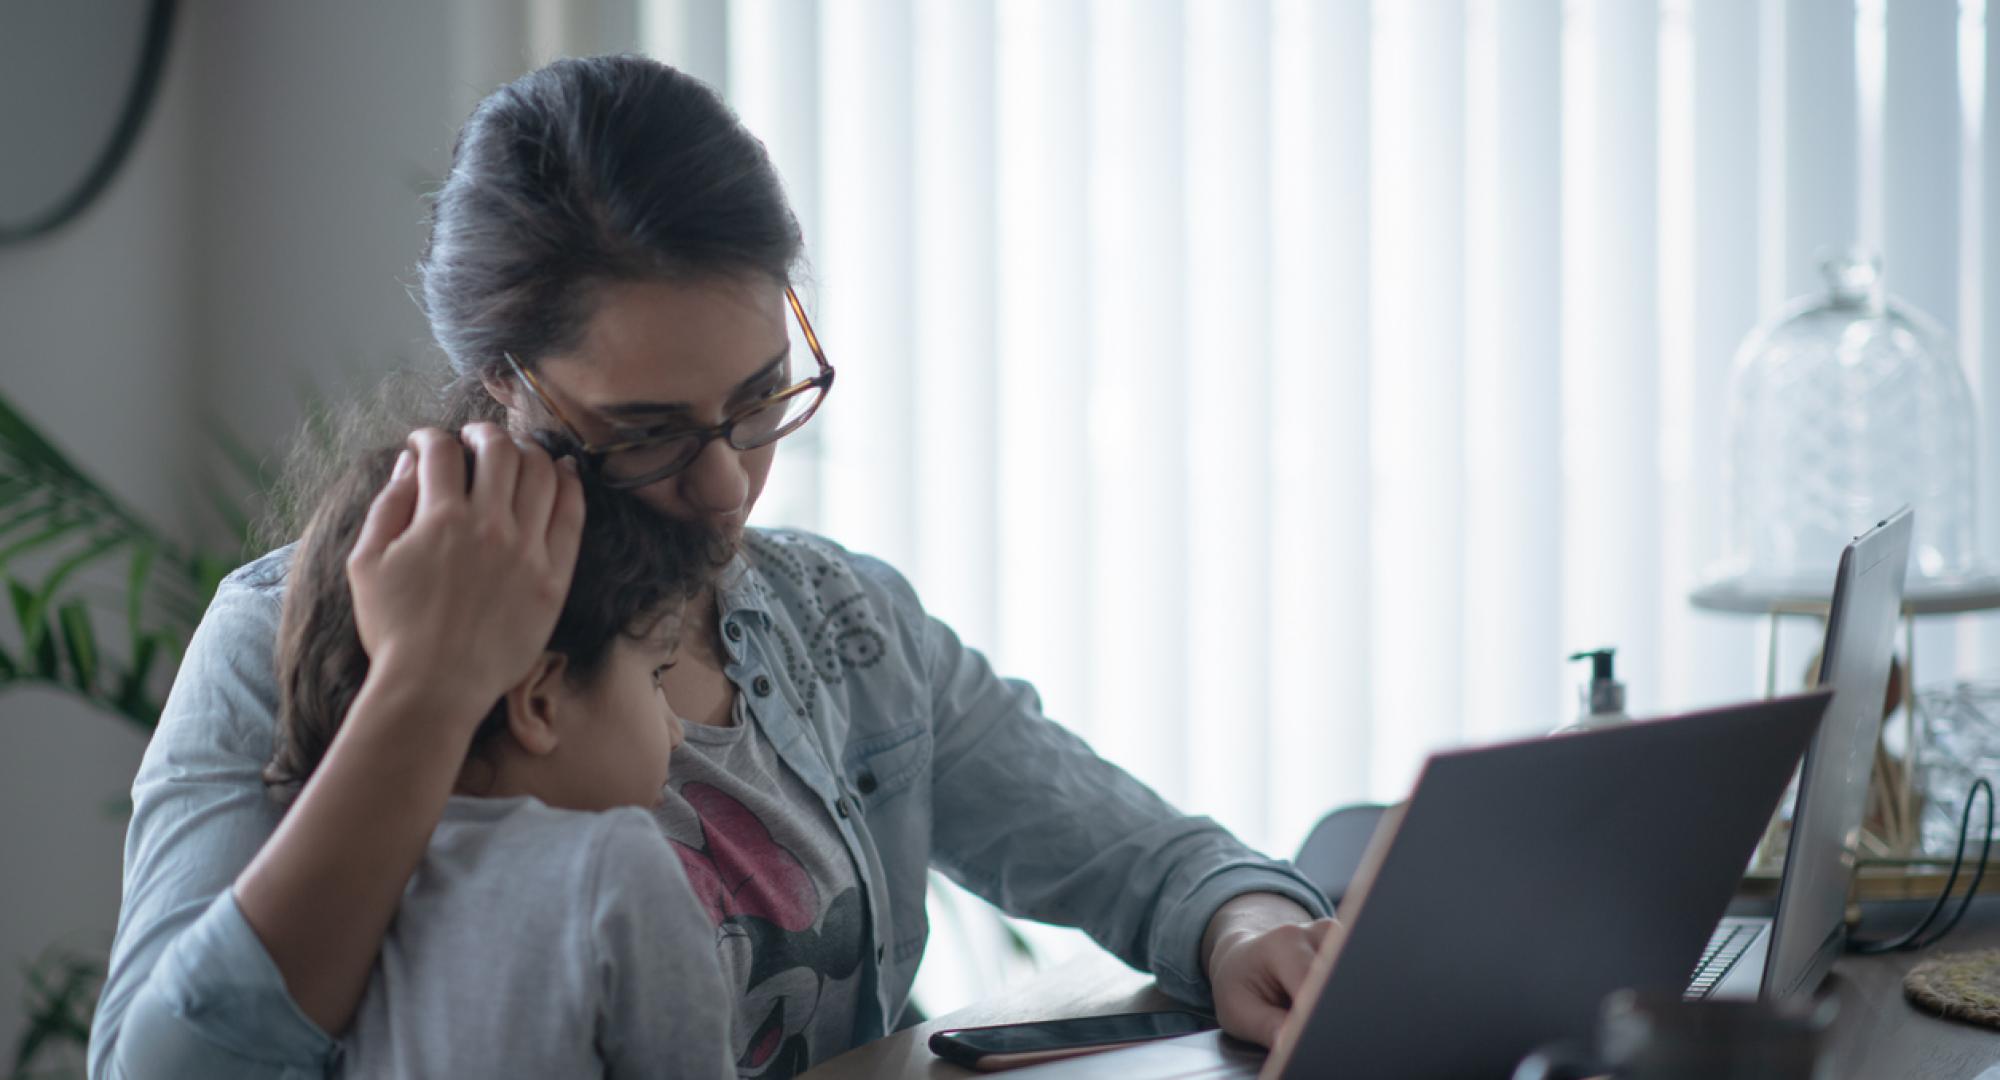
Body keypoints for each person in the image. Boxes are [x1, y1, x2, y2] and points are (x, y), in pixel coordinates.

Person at [91, 55, 1334, 1080]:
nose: (727, 482)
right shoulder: (286, 639)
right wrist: (422, 689)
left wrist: (1245, 927)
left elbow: (1154, 861)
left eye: (757, 401)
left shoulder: (836, 624)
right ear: (500, 391)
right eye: (646, 431)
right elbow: (159, 1068)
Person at [266, 438, 734, 1077]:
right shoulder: (616, 865)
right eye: (657, 675)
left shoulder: (349, 884)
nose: (675, 732)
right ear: (539, 703)